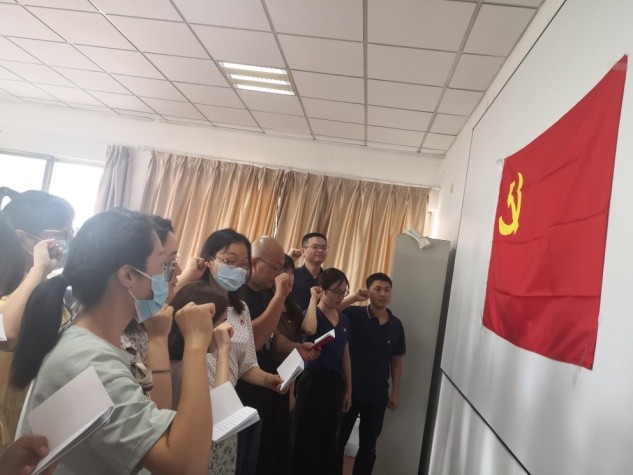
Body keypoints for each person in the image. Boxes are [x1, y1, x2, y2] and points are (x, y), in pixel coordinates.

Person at [11, 209, 216, 474]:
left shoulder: (98, 345)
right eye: (163, 264)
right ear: (128, 275)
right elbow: (185, 466)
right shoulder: (88, 360)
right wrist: (197, 343)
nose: (173, 273)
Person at [178, 228, 285, 475]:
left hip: (227, 407)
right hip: (191, 404)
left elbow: (246, 363)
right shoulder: (189, 301)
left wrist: (269, 379)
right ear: (209, 260)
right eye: (229, 261)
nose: (237, 269)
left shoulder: (241, 309)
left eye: (243, 264)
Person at [236, 237, 319, 475]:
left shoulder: (265, 294)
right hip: (241, 387)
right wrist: (279, 297)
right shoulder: (238, 294)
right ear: (254, 263)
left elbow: (274, 337)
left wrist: (297, 347)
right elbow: (254, 339)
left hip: (264, 386)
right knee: (238, 457)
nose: (278, 275)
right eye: (276, 268)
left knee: (257, 456)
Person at [0, 187, 74, 445]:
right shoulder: (8, 296)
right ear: (23, 239)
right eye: (63, 232)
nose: (70, 239)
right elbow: (6, 333)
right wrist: (39, 269)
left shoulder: (51, 293)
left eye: (72, 231)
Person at [337, 273, 406, 475]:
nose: (382, 294)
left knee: (368, 448)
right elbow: (330, 311)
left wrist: (396, 392)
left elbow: (396, 360)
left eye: (387, 290)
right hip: (349, 390)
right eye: (377, 289)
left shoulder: (396, 325)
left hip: (377, 394)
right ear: (368, 291)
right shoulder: (355, 314)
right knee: (337, 441)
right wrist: (353, 297)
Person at [291, 268, 352, 475]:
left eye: (343, 292)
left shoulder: (344, 320)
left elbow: (345, 355)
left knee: (329, 437)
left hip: (335, 383)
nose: (340, 297)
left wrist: (349, 389)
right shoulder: (311, 314)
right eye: (336, 291)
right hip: (313, 381)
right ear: (322, 290)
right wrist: (312, 299)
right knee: (307, 435)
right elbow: (308, 329)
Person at [121, 215, 182, 409]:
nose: (179, 271)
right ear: (128, 274)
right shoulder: (117, 341)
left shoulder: (142, 324)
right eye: (166, 263)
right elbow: (159, 415)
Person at [288, 232, 328, 311]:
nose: (320, 250)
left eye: (324, 248)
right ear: (303, 251)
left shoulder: (328, 279)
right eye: (315, 247)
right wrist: (289, 259)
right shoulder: (292, 275)